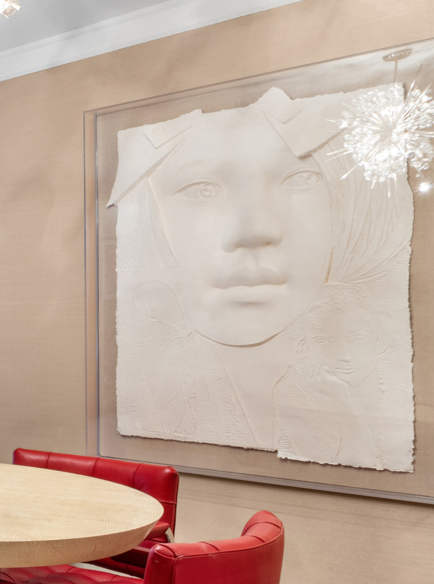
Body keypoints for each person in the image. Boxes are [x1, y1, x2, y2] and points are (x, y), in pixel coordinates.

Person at [109, 86, 414, 471]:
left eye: (301, 179)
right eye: (202, 189)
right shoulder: (159, 391)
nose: (252, 230)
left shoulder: (360, 397)